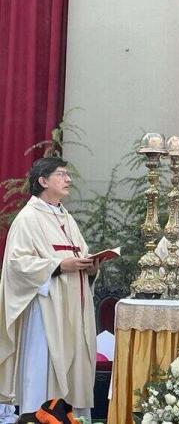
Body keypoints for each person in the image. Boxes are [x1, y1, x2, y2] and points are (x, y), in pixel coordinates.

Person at [0, 157, 98, 420]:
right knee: (44, 364)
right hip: (47, 309)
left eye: (68, 174)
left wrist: (91, 267)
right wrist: (58, 266)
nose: (68, 180)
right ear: (43, 181)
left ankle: (70, 416)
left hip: (74, 305)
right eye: (61, 175)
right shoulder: (28, 218)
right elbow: (17, 264)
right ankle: (39, 415)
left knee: (74, 365)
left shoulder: (65, 217)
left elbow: (80, 253)